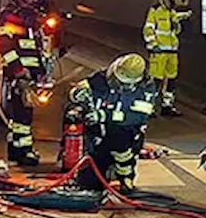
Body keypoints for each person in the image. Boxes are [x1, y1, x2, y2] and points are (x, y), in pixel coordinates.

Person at [66, 54, 156, 192]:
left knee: (121, 148)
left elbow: (135, 117)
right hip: (97, 134)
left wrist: (103, 115)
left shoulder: (146, 90)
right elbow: (83, 86)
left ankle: (126, 178)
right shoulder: (101, 78)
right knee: (90, 182)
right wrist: (77, 93)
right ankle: (90, 173)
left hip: (124, 133)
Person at [0, 0, 47, 166]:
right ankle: (24, 151)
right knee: (23, 114)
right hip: (20, 73)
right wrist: (18, 70)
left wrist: (40, 70)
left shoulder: (29, 14)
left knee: (20, 114)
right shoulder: (10, 15)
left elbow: (33, 44)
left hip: (29, 72)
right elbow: (3, 43)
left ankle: (16, 149)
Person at [143, 0, 191, 117]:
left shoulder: (171, 12)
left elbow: (175, 29)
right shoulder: (155, 11)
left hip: (172, 52)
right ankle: (149, 108)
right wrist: (153, 45)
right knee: (155, 81)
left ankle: (167, 106)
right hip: (159, 53)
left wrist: (182, 19)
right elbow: (148, 30)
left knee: (171, 80)